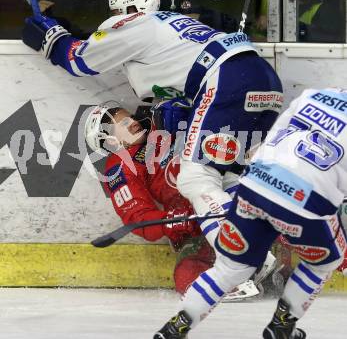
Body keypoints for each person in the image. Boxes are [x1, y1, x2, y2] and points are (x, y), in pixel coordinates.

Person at [21, 0, 282, 277]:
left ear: (125, 11)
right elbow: (140, 213)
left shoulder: (134, 23)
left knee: (197, 178)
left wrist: (51, 38)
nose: (124, 119)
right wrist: (172, 220)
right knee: (230, 174)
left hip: (225, 80)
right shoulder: (173, 26)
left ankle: (243, 260)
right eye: (111, 121)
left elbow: (78, 59)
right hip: (262, 79)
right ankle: (263, 252)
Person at [154, 87, 347, 339]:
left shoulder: (315, 93)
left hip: (255, 183)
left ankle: (173, 330)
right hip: (304, 198)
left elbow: (273, 139)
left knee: (232, 267)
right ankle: (281, 328)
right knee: (325, 262)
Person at [83, 101, 261, 299]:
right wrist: (174, 220)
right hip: (195, 229)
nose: (133, 122)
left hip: (232, 193)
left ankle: (268, 263)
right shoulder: (121, 165)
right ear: (110, 141)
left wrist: (184, 113)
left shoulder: (160, 122)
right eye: (123, 124)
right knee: (187, 272)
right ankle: (234, 281)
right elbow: (139, 218)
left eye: (130, 118)